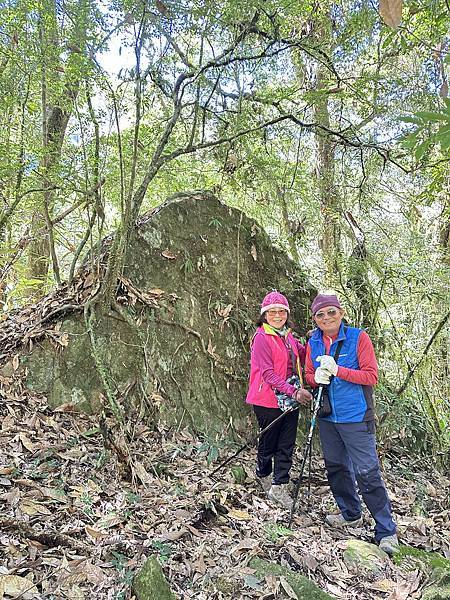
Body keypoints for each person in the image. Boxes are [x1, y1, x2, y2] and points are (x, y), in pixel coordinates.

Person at [304, 293, 399, 555]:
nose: (326, 318)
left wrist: (338, 370)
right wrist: (317, 379)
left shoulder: (359, 338)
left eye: (331, 312)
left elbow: (371, 376)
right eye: (320, 314)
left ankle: (386, 531)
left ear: (341, 312)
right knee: (336, 468)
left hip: (356, 416)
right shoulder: (313, 342)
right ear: (315, 318)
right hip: (327, 417)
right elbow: (309, 374)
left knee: (367, 472)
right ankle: (350, 513)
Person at [246, 291, 312, 510]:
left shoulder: (287, 336)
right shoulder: (262, 338)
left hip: (290, 398)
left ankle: (279, 484)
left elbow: (302, 354)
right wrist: (293, 392)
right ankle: (263, 473)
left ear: (287, 314)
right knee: (269, 441)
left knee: (286, 442)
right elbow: (268, 373)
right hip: (267, 398)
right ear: (265, 315)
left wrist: (315, 340)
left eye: (281, 311)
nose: (277, 315)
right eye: (272, 312)